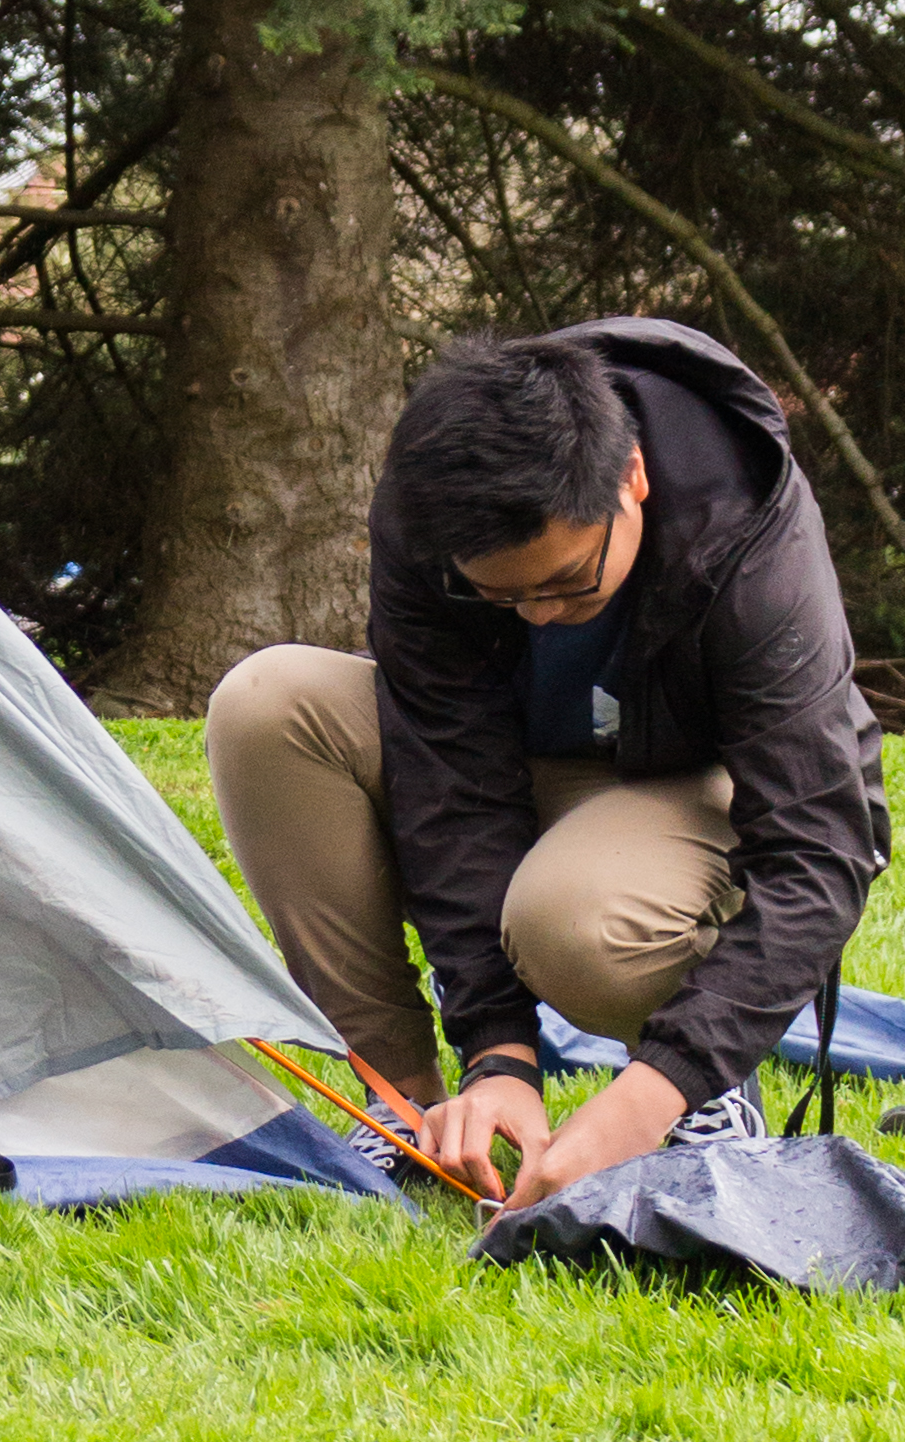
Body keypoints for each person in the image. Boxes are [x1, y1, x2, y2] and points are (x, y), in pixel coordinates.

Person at [205, 320, 884, 1211]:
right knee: (266, 704)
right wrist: (498, 1054)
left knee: (572, 924)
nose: (534, 615)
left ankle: (705, 1094)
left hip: (683, 784)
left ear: (632, 477)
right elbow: (447, 779)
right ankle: (406, 1110)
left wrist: (647, 1095)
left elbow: (820, 845)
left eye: (567, 581)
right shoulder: (433, 506)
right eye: (499, 594)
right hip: (519, 762)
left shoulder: (743, 521)